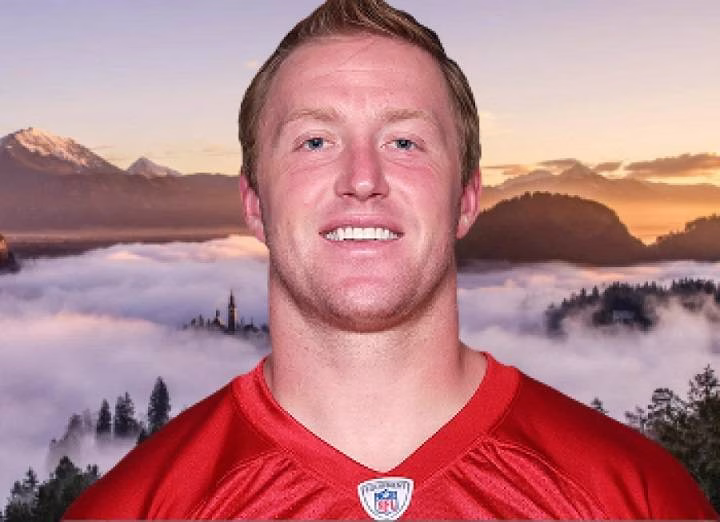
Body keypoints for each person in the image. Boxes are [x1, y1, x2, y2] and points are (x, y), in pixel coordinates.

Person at [64, 0, 716, 519]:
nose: (362, 178)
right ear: (254, 204)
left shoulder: (635, 498)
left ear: (466, 200)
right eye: (315, 141)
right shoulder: (132, 509)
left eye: (404, 141)